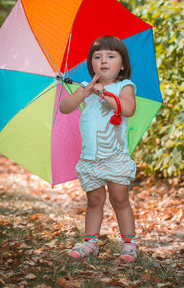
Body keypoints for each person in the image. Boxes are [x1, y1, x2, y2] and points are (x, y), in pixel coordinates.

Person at [59, 36, 137, 262]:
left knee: (119, 198)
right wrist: (83, 93)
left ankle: (129, 244)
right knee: (94, 200)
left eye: (111, 56)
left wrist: (105, 93)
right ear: (91, 63)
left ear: (122, 64)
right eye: (97, 56)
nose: (104, 60)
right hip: (90, 159)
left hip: (114, 156)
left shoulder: (125, 86)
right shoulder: (86, 88)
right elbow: (65, 108)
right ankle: (90, 242)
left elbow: (128, 109)